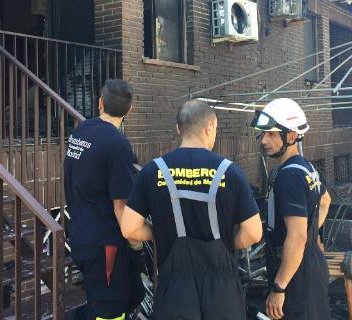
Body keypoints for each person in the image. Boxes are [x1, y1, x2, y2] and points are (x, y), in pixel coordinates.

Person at [120, 100, 263, 320]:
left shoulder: (153, 172)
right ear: (210, 128)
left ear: (179, 129)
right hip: (223, 295)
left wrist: (161, 232)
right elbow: (253, 232)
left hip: (175, 295)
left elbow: (129, 228)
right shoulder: (230, 172)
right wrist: (226, 239)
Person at [63, 79, 144, 320]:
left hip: (79, 234)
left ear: (100, 103)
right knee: (110, 311)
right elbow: (121, 207)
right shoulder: (118, 145)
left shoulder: (81, 130)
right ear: (129, 110)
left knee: (124, 295)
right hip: (105, 244)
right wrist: (136, 243)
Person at [251, 98, 332, 320]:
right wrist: (311, 233)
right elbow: (325, 200)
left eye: (272, 134)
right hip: (311, 265)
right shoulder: (306, 167)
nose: (264, 141)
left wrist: (279, 287)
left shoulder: (289, 176)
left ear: (292, 136)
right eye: (263, 134)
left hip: (296, 278)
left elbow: (296, 238)